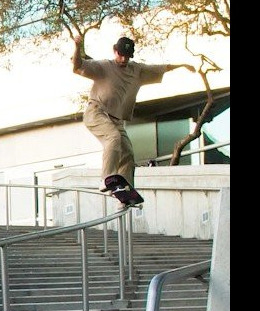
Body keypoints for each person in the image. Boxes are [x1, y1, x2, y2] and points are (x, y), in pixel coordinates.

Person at [71, 34, 195, 196]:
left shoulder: (137, 70)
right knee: (113, 138)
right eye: (120, 55)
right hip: (96, 112)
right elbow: (77, 66)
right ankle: (105, 178)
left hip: (116, 120)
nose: (123, 59)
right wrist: (77, 46)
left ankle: (124, 192)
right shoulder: (103, 66)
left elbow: (160, 67)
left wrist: (183, 65)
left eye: (127, 57)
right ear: (114, 51)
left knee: (128, 153)